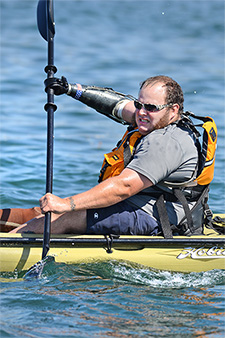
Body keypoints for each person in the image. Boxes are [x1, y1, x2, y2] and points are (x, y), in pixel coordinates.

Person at [1, 75, 214, 236]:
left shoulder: (165, 142)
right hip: (138, 202)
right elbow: (117, 105)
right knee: (36, 213)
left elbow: (125, 187)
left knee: (62, 216)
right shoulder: (155, 119)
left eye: (150, 107)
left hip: (157, 218)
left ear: (173, 110)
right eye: (140, 104)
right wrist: (69, 89)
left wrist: (66, 204)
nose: (141, 112)